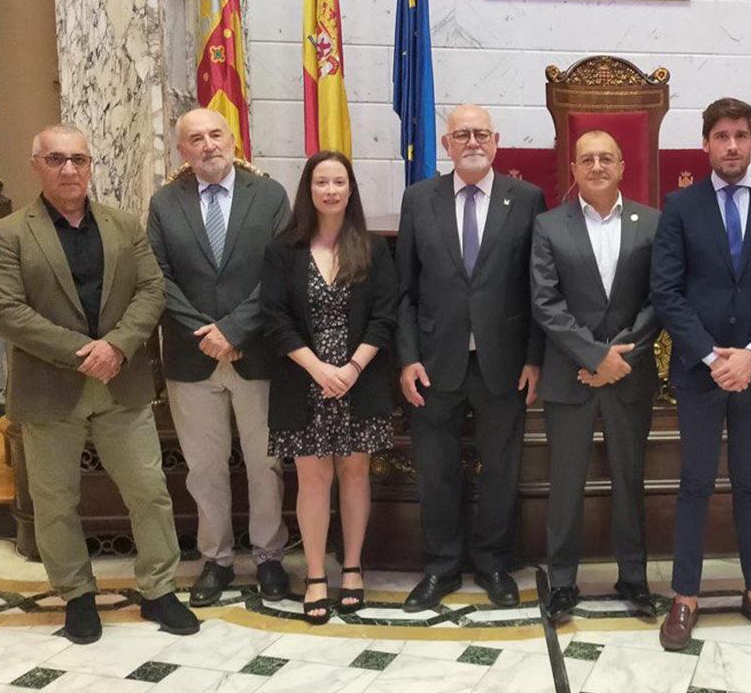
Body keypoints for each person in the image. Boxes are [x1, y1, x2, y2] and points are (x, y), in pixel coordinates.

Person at [0, 124, 197, 643]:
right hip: (50, 389)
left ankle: (160, 590)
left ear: (91, 164)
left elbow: (151, 289)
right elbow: (4, 312)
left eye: (79, 159)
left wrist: (117, 346)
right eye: (56, 159)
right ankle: (77, 596)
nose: (69, 169)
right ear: (36, 165)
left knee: (149, 491)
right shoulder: (6, 234)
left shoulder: (123, 226)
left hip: (121, 384)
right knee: (54, 500)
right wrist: (84, 354)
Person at [651, 98, 751, 651]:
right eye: (722, 136)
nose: (732, 145)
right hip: (701, 373)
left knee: (750, 483)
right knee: (694, 482)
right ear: (707, 144)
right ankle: (686, 596)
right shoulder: (680, 206)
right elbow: (666, 291)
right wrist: (714, 357)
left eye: (741, 135)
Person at [397, 104, 547, 612]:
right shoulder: (419, 200)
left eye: (481, 133)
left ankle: (493, 563)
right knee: (435, 470)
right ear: (446, 145)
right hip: (434, 363)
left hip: (503, 363)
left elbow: (536, 289)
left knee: (501, 468)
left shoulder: (526, 199)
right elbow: (404, 291)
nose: (472, 141)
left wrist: (534, 358)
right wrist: (407, 357)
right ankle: (440, 568)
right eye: (461, 134)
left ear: (497, 140)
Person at [147, 108, 293, 607]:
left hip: (257, 353)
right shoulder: (166, 203)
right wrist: (203, 333)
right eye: (196, 138)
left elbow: (281, 271)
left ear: (233, 140)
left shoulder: (269, 196)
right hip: (192, 360)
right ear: (182, 150)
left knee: (265, 463)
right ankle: (218, 559)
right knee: (204, 468)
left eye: (216, 134)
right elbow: (157, 276)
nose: (208, 145)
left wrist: (234, 329)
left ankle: (270, 557)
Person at [259, 151, 399, 625]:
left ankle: (353, 568)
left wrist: (353, 368)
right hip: (305, 382)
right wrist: (319, 369)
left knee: (355, 475)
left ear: (351, 189)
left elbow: (386, 315)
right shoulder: (284, 248)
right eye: (322, 182)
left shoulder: (374, 247)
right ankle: (317, 573)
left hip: (360, 380)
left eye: (339, 181)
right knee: (313, 480)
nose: (331, 190)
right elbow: (274, 318)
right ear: (309, 189)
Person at [530, 130, 661, 623]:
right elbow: (545, 301)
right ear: (574, 169)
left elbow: (660, 298)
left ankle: (635, 578)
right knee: (566, 484)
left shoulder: (652, 223)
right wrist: (592, 357)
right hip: (570, 376)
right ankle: (562, 582)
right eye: (587, 159)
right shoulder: (548, 225)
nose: (598, 165)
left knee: (630, 479)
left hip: (629, 375)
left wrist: (617, 360)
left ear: (623, 165)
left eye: (607, 157)